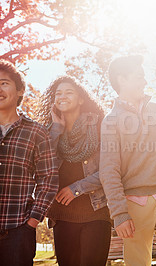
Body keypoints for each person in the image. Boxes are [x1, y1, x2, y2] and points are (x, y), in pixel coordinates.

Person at [100, 55, 156, 266]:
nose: (145, 82)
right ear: (122, 80)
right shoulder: (111, 121)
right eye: (139, 77)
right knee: (138, 263)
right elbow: (109, 170)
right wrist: (119, 213)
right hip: (134, 202)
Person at [37, 76, 111, 266]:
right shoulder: (48, 132)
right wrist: (56, 130)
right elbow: (43, 167)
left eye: (69, 92)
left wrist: (76, 188)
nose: (62, 96)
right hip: (62, 216)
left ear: (81, 99)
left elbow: (110, 169)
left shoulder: (100, 126)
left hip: (96, 212)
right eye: (58, 93)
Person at [0, 59, 58, 265]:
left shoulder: (36, 132)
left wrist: (32, 221)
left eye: (4, 83)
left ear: (20, 91)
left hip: (18, 230)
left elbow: (49, 179)